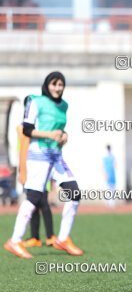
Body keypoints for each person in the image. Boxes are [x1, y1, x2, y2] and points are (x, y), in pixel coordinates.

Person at [4, 71, 83, 259]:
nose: (57, 88)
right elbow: (27, 129)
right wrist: (50, 135)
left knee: (75, 193)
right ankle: (14, 241)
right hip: (38, 155)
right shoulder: (36, 101)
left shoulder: (64, 106)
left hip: (56, 156)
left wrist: (64, 136)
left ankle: (62, 238)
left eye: (61, 84)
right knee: (33, 198)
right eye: (54, 84)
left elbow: (60, 130)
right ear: (47, 85)